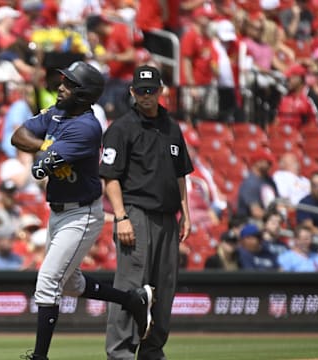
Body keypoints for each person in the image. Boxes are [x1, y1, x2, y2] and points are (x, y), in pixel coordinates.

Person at [10, 61, 155, 360]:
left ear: (84, 93)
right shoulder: (58, 113)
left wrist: (43, 148)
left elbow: (39, 169)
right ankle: (132, 300)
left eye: (69, 84)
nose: (61, 86)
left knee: (48, 281)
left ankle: (39, 357)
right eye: (64, 81)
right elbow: (18, 137)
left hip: (82, 214)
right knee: (72, 283)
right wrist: (48, 143)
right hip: (59, 211)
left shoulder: (87, 128)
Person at [99, 64, 193, 360]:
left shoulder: (171, 127)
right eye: (141, 90)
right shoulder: (121, 128)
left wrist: (186, 213)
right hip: (135, 213)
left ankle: (153, 352)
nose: (146, 96)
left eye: (151, 90)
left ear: (161, 91)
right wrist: (121, 216)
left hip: (168, 217)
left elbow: (180, 175)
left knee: (164, 289)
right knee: (130, 287)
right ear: (132, 92)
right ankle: (120, 352)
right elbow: (110, 177)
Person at [237, 148, 278, 223]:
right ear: (258, 162)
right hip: (251, 223)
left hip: (270, 221)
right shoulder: (250, 183)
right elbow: (256, 212)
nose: (270, 164)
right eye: (267, 162)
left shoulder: (270, 181)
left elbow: (279, 203)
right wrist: (275, 219)